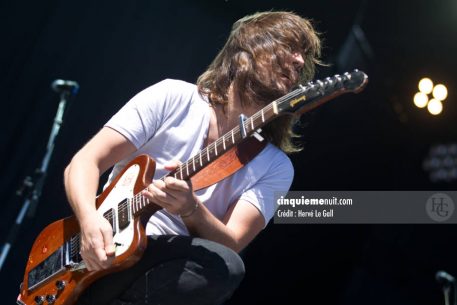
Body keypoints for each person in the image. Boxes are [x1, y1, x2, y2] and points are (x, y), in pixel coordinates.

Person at [64, 10, 321, 305]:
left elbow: (231, 243)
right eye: (288, 48)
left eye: (303, 56)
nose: (299, 62)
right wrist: (88, 221)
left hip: (162, 270)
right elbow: (84, 162)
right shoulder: (172, 97)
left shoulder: (275, 166)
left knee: (225, 265)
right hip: (103, 245)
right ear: (243, 55)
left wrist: (191, 209)